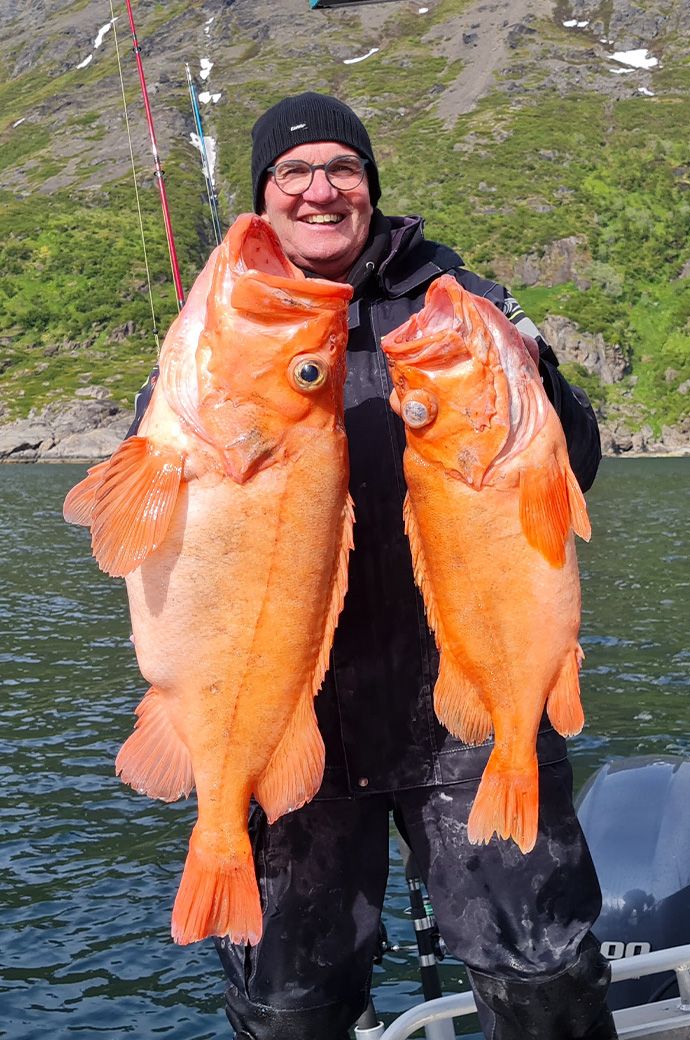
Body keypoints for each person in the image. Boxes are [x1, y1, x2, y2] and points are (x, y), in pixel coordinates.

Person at [131, 92, 617, 1040]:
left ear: (371, 186)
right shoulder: (223, 315)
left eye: (342, 169)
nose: (321, 191)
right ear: (263, 197)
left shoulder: (453, 298)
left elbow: (575, 462)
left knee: (543, 971)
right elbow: (142, 507)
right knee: (288, 1004)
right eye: (293, 173)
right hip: (290, 710)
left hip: (461, 697)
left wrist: (534, 364)